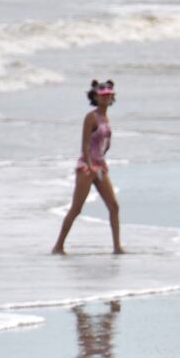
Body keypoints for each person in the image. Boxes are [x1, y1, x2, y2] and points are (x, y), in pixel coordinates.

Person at [53, 80, 123, 255]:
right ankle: (58, 246)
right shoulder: (91, 117)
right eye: (103, 95)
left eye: (109, 95)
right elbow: (84, 144)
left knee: (114, 206)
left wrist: (102, 160)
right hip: (87, 166)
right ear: (95, 97)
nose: (106, 98)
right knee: (77, 208)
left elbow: (105, 143)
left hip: (100, 165)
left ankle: (117, 247)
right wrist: (90, 167)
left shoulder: (106, 117)